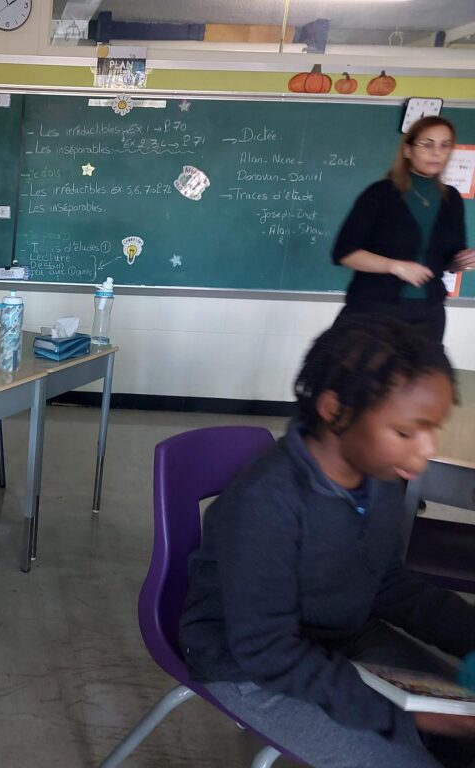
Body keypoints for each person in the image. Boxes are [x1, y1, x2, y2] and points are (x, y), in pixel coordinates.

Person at [180, 313, 475, 768]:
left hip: (342, 633)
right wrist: (403, 717)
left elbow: (386, 581)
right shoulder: (266, 501)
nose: (427, 449)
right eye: (406, 432)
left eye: (432, 429)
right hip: (250, 666)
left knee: (463, 733)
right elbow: (267, 650)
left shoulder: (379, 475)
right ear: (335, 411)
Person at [332, 116, 475, 344]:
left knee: (426, 369)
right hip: (373, 310)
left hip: (428, 315)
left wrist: (464, 261)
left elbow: (450, 261)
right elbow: (344, 253)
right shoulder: (380, 193)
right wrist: (394, 266)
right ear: (408, 150)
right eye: (427, 144)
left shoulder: (452, 199)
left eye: (445, 145)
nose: (436, 153)